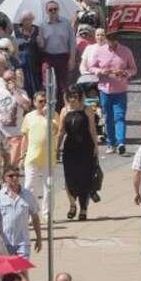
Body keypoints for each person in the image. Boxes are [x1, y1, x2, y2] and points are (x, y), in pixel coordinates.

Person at [57, 87, 99, 221]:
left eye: (75, 96)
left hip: (85, 147)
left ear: (80, 96)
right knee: (69, 178)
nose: (73, 99)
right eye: (70, 96)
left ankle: (83, 209)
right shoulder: (64, 110)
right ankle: (72, 204)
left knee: (85, 179)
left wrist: (96, 146)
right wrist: (57, 148)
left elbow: (92, 129)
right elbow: (61, 132)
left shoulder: (87, 109)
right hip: (70, 148)